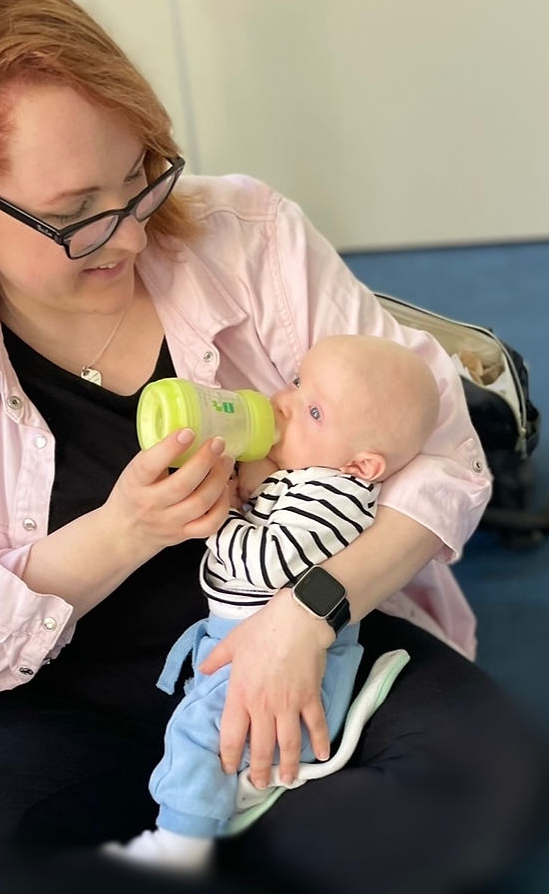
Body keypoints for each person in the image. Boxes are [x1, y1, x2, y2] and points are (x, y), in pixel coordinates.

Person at [0, 0, 549, 893]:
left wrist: (309, 610)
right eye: (75, 218)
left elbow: (447, 451)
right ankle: (222, 836)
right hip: (63, 691)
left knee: (502, 784)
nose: (131, 237)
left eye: (137, 177)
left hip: (303, 644)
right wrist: (121, 532)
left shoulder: (245, 233)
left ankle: (183, 837)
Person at [108, 334, 440, 872]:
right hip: (242, 643)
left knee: (200, 733)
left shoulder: (336, 497)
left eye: (312, 411)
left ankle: (179, 848)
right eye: (296, 382)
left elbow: (264, 564)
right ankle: (227, 795)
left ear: (363, 466)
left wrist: (220, 518)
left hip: (292, 667)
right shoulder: (304, 478)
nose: (282, 404)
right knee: (197, 725)